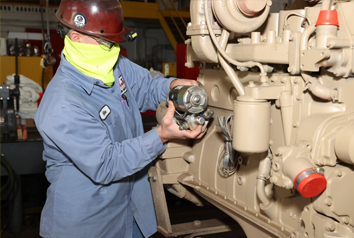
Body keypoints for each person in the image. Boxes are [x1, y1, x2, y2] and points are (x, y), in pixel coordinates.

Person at [34, 0, 206, 237]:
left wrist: (174, 86)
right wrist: (161, 135)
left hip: (132, 213)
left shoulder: (112, 65)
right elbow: (107, 164)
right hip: (89, 224)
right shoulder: (63, 103)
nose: (113, 49)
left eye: (115, 42)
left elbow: (146, 86)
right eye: (106, 42)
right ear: (76, 37)